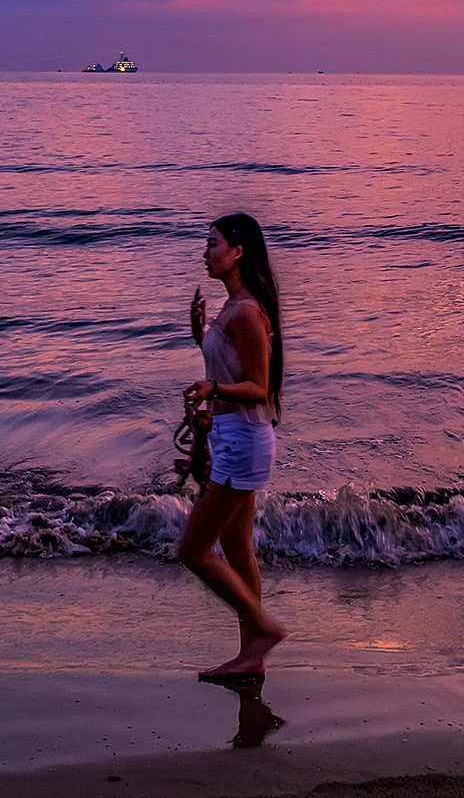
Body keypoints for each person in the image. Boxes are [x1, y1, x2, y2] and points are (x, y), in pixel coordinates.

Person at [177, 212, 288, 679]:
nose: (206, 252)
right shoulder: (230, 309)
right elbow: (228, 365)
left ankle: (262, 629)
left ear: (238, 252)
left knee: (192, 551)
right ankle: (251, 659)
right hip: (230, 438)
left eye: (213, 244)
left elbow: (258, 388)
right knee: (238, 549)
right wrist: (201, 335)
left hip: (243, 442)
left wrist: (213, 390)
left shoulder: (246, 312)